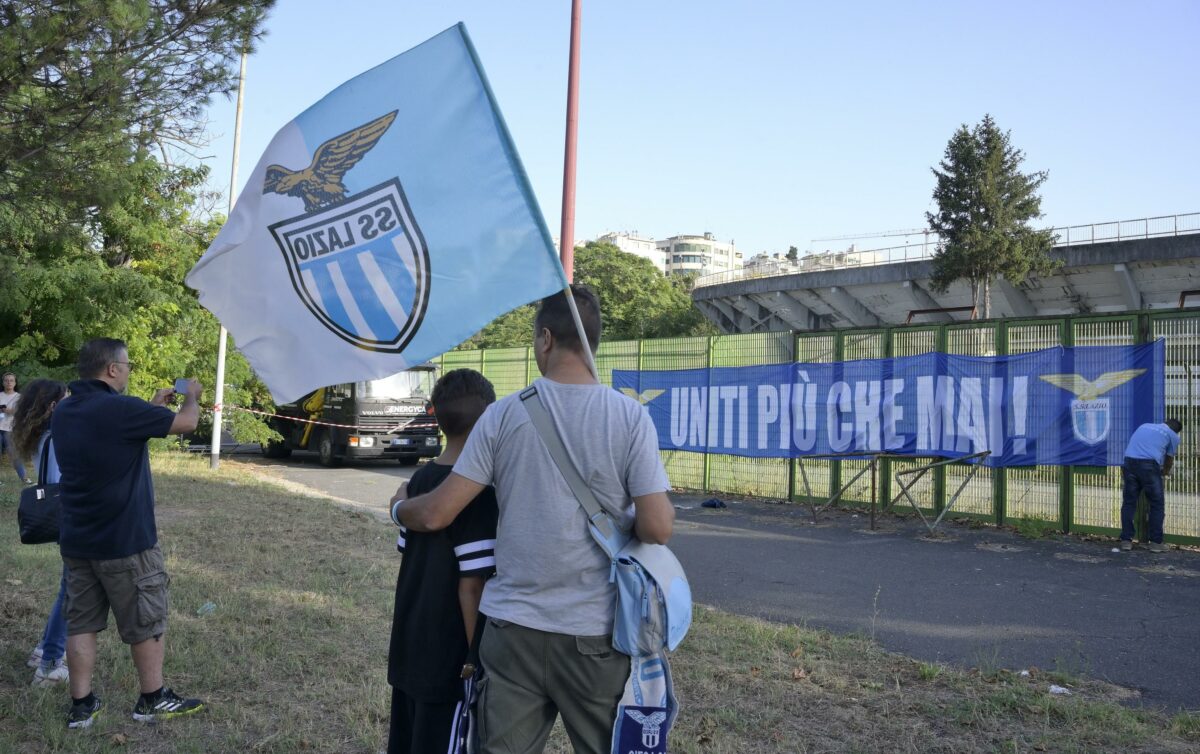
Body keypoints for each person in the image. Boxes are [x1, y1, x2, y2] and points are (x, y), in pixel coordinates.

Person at [395, 285, 675, 754]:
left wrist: (399, 507)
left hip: (511, 632)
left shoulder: (503, 415)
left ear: (545, 339)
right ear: (594, 341)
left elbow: (437, 512)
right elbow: (657, 528)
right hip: (597, 634)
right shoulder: (629, 417)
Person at [50, 338, 205, 729]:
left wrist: (152, 406)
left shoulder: (66, 409)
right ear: (112, 369)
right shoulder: (120, 409)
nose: (130, 370)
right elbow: (187, 423)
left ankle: (81, 706)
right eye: (128, 364)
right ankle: (152, 699)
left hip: (79, 538)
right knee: (146, 619)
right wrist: (193, 397)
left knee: (81, 622)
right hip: (125, 540)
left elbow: (119, 434)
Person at [385, 369, 499, 754]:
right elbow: (472, 585)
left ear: (436, 417)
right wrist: (477, 661)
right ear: (490, 420)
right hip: (450, 662)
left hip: (409, 644)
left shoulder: (417, 482)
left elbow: (410, 554)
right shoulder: (478, 493)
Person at [13, 379, 71, 687]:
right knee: (72, 591)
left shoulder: (43, 435)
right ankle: (50, 661)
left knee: (69, 587)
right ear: (52, 405)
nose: (71, 401)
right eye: (66, 397)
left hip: (61, 517)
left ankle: (43, 651)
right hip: (69, 518)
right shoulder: (57, 437)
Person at [1120, 418, 1183, 553]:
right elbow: (1169, 460)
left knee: (1129, 503)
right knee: (1156, 504)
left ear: (1165, 423)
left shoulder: (1144, 425)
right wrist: (1165, 472)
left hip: (1129, 462)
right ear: (1176, 431)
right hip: (1149, 465)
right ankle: (1155, 542)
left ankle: (1126, 541)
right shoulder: (1173, 436)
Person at [0, 371, 32, 483]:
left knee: (15, 455)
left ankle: (24, 478)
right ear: (3, 382)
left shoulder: (19, 397)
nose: (9, 382)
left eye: (11, 380)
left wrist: (10, 411)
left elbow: (24, 413)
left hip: (11, 429)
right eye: (6, 380)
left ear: (15, 383)